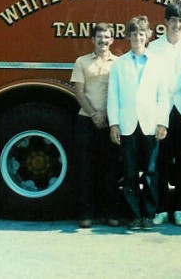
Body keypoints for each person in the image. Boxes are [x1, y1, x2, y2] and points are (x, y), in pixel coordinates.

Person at [108, 16, 170, 231]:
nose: (137, 38)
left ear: (148, 36)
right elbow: (113, 96)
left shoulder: (158, 63)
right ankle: (134, 215)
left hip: (151, 124)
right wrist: (114, 124)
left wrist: (162, 123)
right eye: (133, 34)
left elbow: (164, 95)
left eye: (141, 34)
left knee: (152, 172)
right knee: (130, 172)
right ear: (128, 37)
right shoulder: (119, 64)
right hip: (127, 125)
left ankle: (149, 215)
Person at [147, 0, 181, 227]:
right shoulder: (154, 47)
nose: (176, 24)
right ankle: (160, 209)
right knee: (160, 163)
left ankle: (180, 209)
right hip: (161, 110)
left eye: (180, 20)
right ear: (165, 21)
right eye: (172, 20)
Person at [71, 23, 121, 229]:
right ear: (92, 40)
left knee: (111, 170)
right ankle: (86, 214)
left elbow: (119, 92)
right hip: (87, 120)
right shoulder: (81, 62)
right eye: (99, 37)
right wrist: (94, 114)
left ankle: (109, 214)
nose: (103, 40)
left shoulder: (118, 63)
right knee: (86, 170)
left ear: (112, 40)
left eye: (107, 37)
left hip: (111, 122)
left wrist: (106, 115)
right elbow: (79, 92)